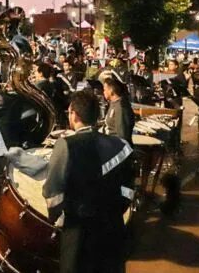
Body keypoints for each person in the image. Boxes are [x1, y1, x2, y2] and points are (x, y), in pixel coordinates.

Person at [42, 90, 134, 273]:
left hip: (79, 230)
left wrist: (60, 219)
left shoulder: (65, 144)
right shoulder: (121, 146)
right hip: (112, 227)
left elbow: (52, 192)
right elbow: (128, 190)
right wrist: (113, 212)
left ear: (74, 114)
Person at [101, 76, 134, 143]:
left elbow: (122, 135)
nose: (103, 92)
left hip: (115, 146)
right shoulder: (113, 103)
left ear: (111, 90)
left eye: (105, 89)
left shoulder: (121, 107)